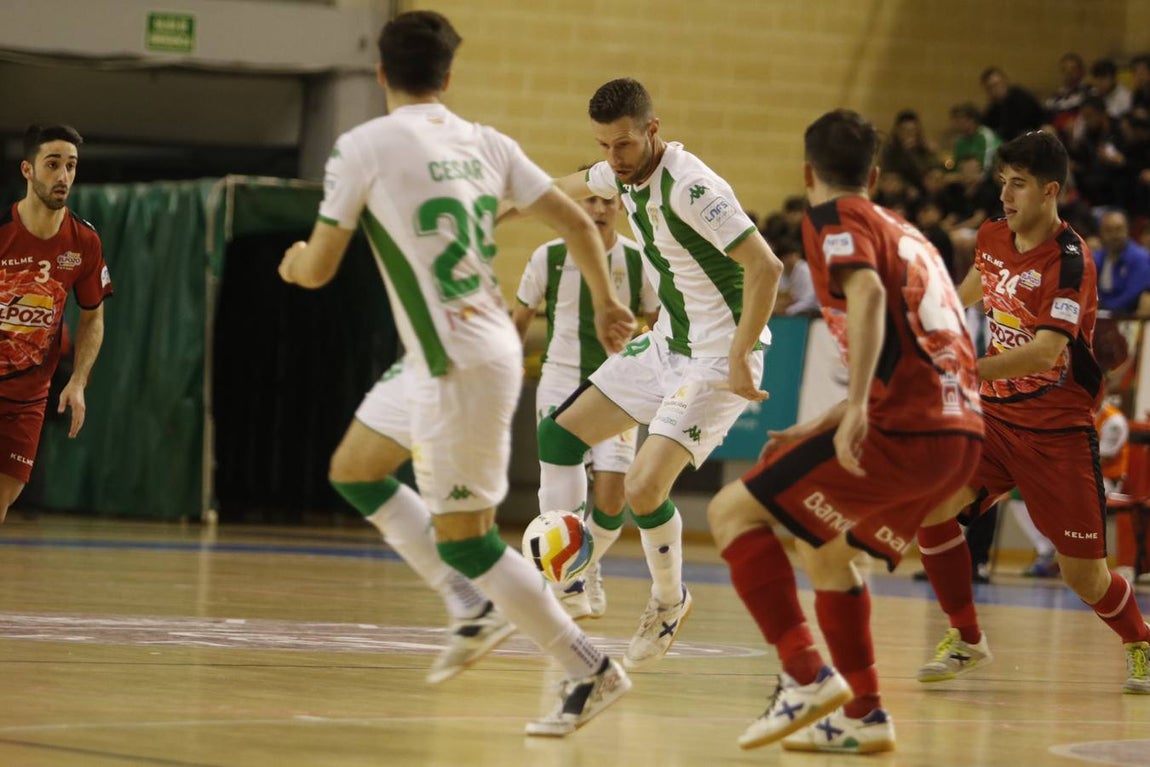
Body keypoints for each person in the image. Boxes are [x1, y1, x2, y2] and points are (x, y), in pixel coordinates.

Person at [278, 11, 636, 736]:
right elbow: (575, 220)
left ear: (380, 72)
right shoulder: (487, 142)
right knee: (356, 467)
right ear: (448, 76)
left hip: (459, 362)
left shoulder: (364, 146)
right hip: (445, 354)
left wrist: (289, 261)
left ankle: (588, 665)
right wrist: (607, 303)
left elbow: (316, 269)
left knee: (468, 537)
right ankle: (468, 603)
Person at [708, 109, 983, 754]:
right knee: (829, 551)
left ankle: (804, 675)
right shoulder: (906, 229)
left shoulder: (834, 219)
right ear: (877, 174)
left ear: (808, 172)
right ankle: (865, 713)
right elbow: (922, 340)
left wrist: (856, 402)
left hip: (906, 427)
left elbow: (865, 297)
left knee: (730, 513)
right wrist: (830, 416)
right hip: (960, 436)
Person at [534, 77, 782, 670]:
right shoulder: (618, 171)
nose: (611, 160)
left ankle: (670, 600)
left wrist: (743, 352)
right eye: (602, 147)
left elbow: (766, 267)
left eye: (622, 145)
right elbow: (560, 188)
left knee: (645, 488)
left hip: (717, 356)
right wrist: (498, 207)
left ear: (653, 130)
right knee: (557, 434)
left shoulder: (693, 186)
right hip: (667, 343)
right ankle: (572, 569)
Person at [913, 130, 1150, 695]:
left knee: (1085, 577)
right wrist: (926, 307)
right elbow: (979, 284)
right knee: (931, 510)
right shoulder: (994, 234)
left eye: (1018, 185)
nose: (1005, 196)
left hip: (1056, 430)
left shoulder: (1071, 263)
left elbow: (1047, 351)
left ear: (1050, 191)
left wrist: (961, 367)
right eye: (1002, 183)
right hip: (994, 420)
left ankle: (1141, 640)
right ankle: (966, 637)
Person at [511, 185, 659, 619]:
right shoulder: (547, 256)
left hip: (618, 386)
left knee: (613, 501)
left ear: (619, 206)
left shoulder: (637, 259)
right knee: (560, 485)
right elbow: (519, 318)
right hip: (559, 379)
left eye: (607, 200)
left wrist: (648, 348)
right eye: (589, 200)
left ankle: (585, 564)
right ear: (575, 206)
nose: (598, 208)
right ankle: (566, 582)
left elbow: (658, 321)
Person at [0, 124, 111, 523]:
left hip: (27, 399)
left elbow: (93, 316)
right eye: (52, 165)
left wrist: (79, 381)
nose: (63, 176)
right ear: (27, 170)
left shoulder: (84, 242)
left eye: (71, 166)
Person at [1094, 210, 1150, 315]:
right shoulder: (1097, 257)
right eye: (1109, 230)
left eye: (1119, 229)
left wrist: (1105, 310)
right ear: (1100, 233)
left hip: (1129, 316)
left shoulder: (1140, 258)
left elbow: (1132, 295)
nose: (1115, 235)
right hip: (1100, 315)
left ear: (1127, 230)